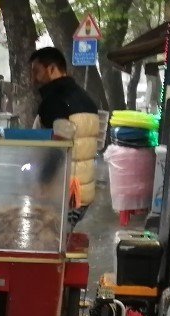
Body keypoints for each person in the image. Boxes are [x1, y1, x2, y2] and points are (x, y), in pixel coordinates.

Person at [29, 46, 102, 217]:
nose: (33, 79)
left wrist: (43, 182)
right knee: (66, 241)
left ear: (52, 69)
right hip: (82, 192)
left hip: (62, 195)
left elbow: (57, 148)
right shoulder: (86, 99)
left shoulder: (54, 101)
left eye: (36, 72)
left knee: (50, 239)